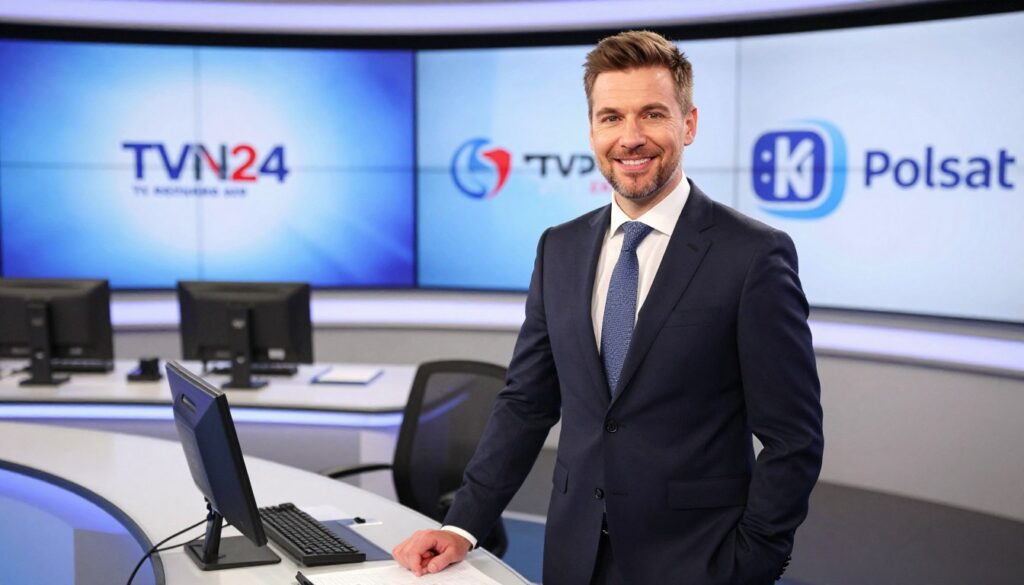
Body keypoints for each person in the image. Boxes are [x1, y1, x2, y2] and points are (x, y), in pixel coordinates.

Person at [393, 30, 824, 585]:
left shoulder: (752, 256)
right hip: (573, 554)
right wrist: (462, 525)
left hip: (698, 559)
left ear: (688, 124)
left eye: (652, 114)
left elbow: (794, 437)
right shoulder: (560, 248)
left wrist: (752, 562)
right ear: (592, 129)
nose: (631, 138)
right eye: (611, 117)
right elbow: (527, 402)